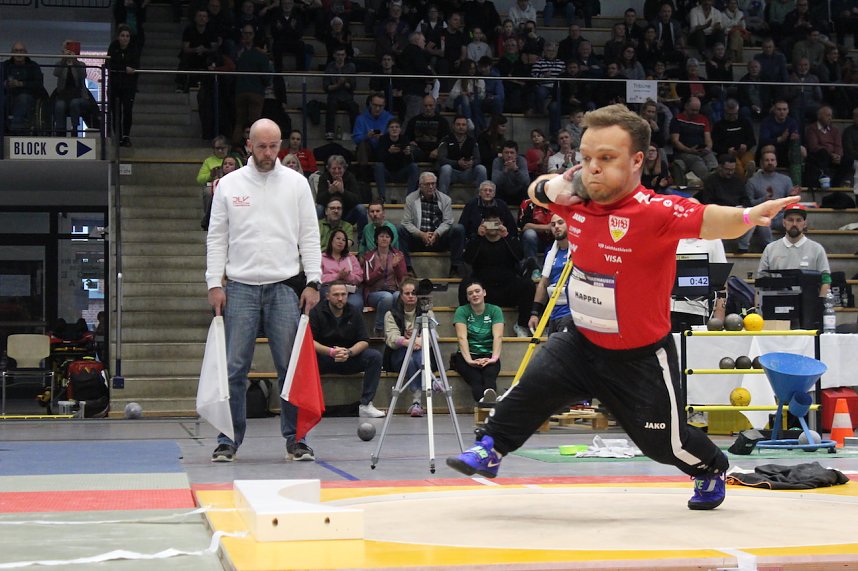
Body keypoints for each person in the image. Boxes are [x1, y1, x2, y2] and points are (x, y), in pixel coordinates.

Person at [446, 103, 802, 511]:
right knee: (530, 388)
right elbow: (535, 189)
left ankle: (710, 468)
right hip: (580, 341)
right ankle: (489, 449)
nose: (592, 168)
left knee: (664, 442)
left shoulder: (656, 212)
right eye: (586, 159)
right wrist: (551, 184)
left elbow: (711, 219)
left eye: (606, 158)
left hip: (640, 358)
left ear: (637, 161)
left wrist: (747, 215)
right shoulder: (576, 202)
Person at [206, 118, 321, 464]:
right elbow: (216, 237)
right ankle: (228, 439)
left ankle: (297, 439)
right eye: (262, 146)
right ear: (248, 146)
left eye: (274, 146)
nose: (269, 153)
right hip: (239, 287)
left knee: (289, 367)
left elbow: (310, 235)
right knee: (233, 368)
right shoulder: (228, 184)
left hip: (285, 286)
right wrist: (214, 282)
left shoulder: (298, 184)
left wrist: (313, 281)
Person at [310, 281, 386, 418]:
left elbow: (364, 340)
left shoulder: (354, 311)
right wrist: (331, 352)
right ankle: (310, 405)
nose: (340, 298)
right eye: (336, 295)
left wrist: (349, 352)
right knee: (304, 358)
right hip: (325, 357)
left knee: (375, 356)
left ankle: (366, 404)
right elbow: (309, 341)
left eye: (343, 294)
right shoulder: (316, 312)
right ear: (327, 296)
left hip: (349, 357)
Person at [460, 209, 534, 338]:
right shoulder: (478, 241)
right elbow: (467, 259)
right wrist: (478, 237)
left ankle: (522, 324)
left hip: (507, 288)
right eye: (489, 223)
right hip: (485, 291)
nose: (492, 226)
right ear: (483, 223)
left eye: (496, 223)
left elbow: (519, 256)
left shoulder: (508, 240)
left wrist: (507, 236)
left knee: (528, 284)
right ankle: (471, 323)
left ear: (502, 224)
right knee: (465, 285)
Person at [399, 171, 466, 277]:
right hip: (418, 239)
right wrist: (421, 234)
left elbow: (448, 221)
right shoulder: (410, 199)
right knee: (400, 229)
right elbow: (406, 222)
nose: (431, 186)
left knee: (459, 229)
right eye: (427, 184)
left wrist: (436, 234)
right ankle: (408, 268)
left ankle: (455, 268)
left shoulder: (445, 199)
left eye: (433, 183)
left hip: (439, 239)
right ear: (420, 185)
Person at [757, 204, 831, 298]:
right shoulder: (770, 249)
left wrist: (820, 306)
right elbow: (760, 282)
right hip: (777, 303)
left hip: (808, 304)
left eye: (798, 220)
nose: (794, 224)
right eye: (790, 220)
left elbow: (826, 280)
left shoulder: (817, 249)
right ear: (784, 222)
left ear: (804, 223)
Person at [450, 280, 504, 403]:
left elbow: (498, 336)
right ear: (467, 298)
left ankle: (487, 401)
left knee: (490, 376)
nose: (474, 295)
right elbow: (462, 338)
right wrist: (469, 360)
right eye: (470, 293)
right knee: (476, 379)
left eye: (477, 291)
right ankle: (490, 403)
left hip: (489, 355)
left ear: (484, 293)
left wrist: (493, 358)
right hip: (466, 356)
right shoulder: (462, 311)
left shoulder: (495, 310)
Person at [383, 278, 430, 417]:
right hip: (398, 354)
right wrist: (409, 342)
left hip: (420, 352)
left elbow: (433, 336)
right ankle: (420, 397)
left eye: (414, 293)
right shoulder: (390, 314)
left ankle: (416, 403)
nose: (410, 296)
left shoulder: (427, 313)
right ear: (401, 295)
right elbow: (391, 338)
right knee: (409, 359)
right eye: (407, 293)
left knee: (419, 356)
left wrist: (419, 341)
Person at [528, 213, 571, 335]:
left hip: (572, 314)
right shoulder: (551, 253)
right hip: (553, 313)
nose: (556, 227)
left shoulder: (581, 251)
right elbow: (543, 283)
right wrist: (535, 313)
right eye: (553, 225)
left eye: (560, 223)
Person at [363, 225, 407, 334]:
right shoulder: (369, 256)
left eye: (387, 236)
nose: (384, 239)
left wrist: (396, 266)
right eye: (381, 236)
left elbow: (403, 278)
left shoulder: (398, 255)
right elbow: (367, 280)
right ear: (376, 239)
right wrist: (382, 269)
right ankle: (379, 328)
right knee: (387, 297)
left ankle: (399, 328)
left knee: (398, 296)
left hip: (394, 289)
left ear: (391, 240)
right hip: (374, 292)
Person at [315, 155, 368, 233]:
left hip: (346, 216)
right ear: (328, 169)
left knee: (361, 209)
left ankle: (362, 241)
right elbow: (319, 200)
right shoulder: (324, 177)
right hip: (329, 216)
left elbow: (358, 199)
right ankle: (318, 237)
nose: (337, 171)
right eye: (333, 168)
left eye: (339, 168)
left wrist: (343, 191)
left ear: (344, 169)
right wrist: (329, 192)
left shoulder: (350, 177)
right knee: (319, 208)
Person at [436, 115, 487, 196]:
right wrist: (457, 163)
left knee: (481, 168)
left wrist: (472, 163)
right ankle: (443, 199)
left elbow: (478, 159)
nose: (461, 127)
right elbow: (441, 159)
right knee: (446, 168)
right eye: (458, 124)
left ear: (467, 126)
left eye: (463, 125)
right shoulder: (446, 139)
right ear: (453, 126)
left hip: (467, 173)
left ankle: (481, 199)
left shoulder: (472, 140)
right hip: (452, 173)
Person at [670, 96, 718, 181]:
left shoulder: (703, 119)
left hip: (701, 150)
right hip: (684, 152)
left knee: (712, 161)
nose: (695, 112)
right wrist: (689, 150)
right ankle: (709, 183)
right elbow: (675, 140)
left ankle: (715, 182)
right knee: (697, 162)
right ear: (686, 106)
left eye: (697, 110)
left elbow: (708, 138)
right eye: (692, 110)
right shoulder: (677, 119)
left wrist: (708, 148)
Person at [107, 24, 140, 147]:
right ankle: (118, 136)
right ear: (118, 37)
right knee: (115, 112)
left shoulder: (134, 49)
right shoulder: (113, 47)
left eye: (127, 36)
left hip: (128, 86)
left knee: (127, 110)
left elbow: (136, 65)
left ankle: (126, 136)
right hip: (115, 86)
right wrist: (123, 68)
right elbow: (109, 63)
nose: (125, 38)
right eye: (122, 36)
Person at [52, 40, 92, 137]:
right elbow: (56, 73)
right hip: (63, 96)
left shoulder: (81, 64)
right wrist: (63, 59)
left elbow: (83, 75)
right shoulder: (60, 63)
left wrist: (74, 61)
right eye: (67, 47)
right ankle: (60, 131)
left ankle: (75, 129)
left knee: (74, 103)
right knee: (59, 105)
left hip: (79, 96)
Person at [3, 42, 45, 134]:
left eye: (21, 51)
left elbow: (38, 84)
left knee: (23, 98)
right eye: (16, 51)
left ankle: (15, 131)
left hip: (28, 97)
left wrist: (21, 84)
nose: (19, 53)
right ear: (12, 53)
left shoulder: (33, 66)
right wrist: (5, 84)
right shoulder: (5, 66)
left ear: (26, 53)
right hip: (8, 96)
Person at [373, 118, 419, 201]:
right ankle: (382, 197)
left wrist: (408, 154)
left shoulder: (404, 139)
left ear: (400, 129)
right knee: (378, 166)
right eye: (392, 127)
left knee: (414, 166)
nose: (394, 129)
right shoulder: (383, 139)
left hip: (401, 172)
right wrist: (389, 152)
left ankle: (410, 198)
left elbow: (409, 161)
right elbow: (378, 158)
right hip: (387, 173)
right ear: (388, 129)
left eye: (397, 127)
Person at [712, 98, 757, 179]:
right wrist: (726, 150)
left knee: (749, 164)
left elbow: (752, 140)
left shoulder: (745, 122)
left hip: (744, 152)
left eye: (735, 114)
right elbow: (714, 145)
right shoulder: (718, 125)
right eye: (729, 114)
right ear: (725, 112)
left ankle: (748, 178)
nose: (732, 116)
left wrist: (746, 146)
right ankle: (744, 183)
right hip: (727, 154)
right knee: (739, 169)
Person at [321, 228, 364, 310]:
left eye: (344, 240)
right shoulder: (322, 257)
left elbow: (359, 277)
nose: (340, 242)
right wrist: (337, 276)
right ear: (331, 240)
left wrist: (348, 276)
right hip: (329, 288)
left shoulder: (351, 258)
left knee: (356, 303)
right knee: (330, 300)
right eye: (338, 238)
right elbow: (319, 278)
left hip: (349, 289)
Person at [323, 48, 359, 141]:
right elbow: (326, 87)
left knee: (354, 107)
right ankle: (329, 132)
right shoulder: (329, 67)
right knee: (331, 105)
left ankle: (354, 132)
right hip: (333, 97)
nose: (340, 57)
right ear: (334, 55)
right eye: (338, 55)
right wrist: (338, 85)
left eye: (342, 55)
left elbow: (353, 87)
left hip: (347, 97)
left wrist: (344, 83)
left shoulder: (350, 67)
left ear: (345, 56)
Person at [490, 140, 530, 204]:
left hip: (518, 193)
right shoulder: (497, 161)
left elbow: (526, 181)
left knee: (526, 189)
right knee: (495, 190)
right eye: (506, 152)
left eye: (512, 153)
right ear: (502, 154)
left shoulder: (521, 160)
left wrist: (516, 170)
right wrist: (505, 171)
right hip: (503, 193)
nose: (509, 155)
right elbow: (494, 182)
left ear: (516, 154)